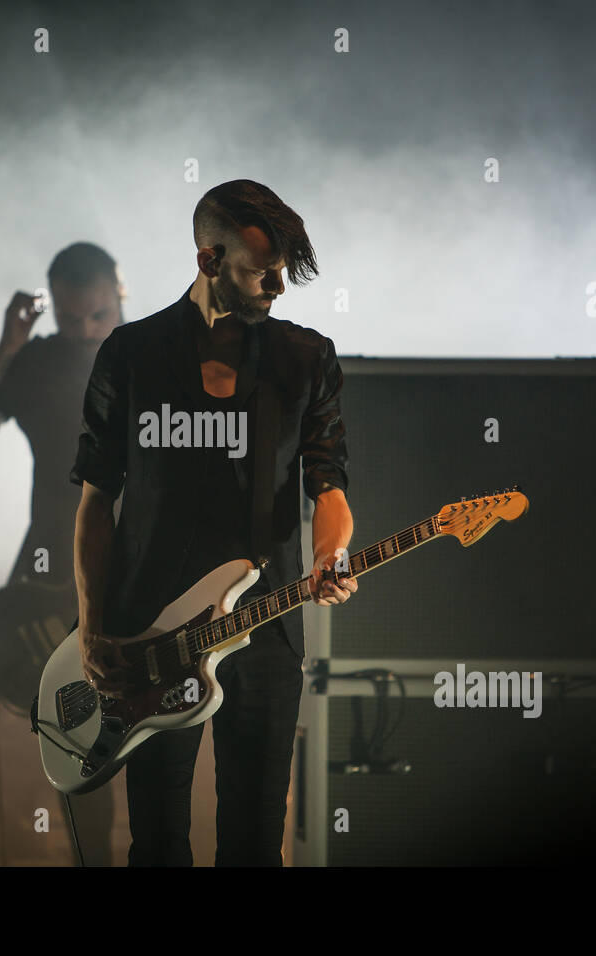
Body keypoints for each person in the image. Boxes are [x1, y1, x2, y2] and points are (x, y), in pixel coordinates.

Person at [70, 180, 359, 866]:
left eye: (284, 269)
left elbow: (330, 486)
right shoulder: (131, 355)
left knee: (256, 842)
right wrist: (91, 625)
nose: (279, 286)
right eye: (262, 271)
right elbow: (94, 503)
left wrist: (333, 554)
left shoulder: (304, 359)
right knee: (159, 844)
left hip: (265, 628)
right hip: (149, 635)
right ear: (208, 261)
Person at [0, 241, 125, 865]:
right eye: (73, 321)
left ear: (119, 293)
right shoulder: (39, 364)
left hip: (143, 575)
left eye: (99, 316)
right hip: (55, 579)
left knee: (152, 736)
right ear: (54, 313)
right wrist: (9, 347)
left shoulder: (159, 356)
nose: (88, 331)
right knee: (77, 745)